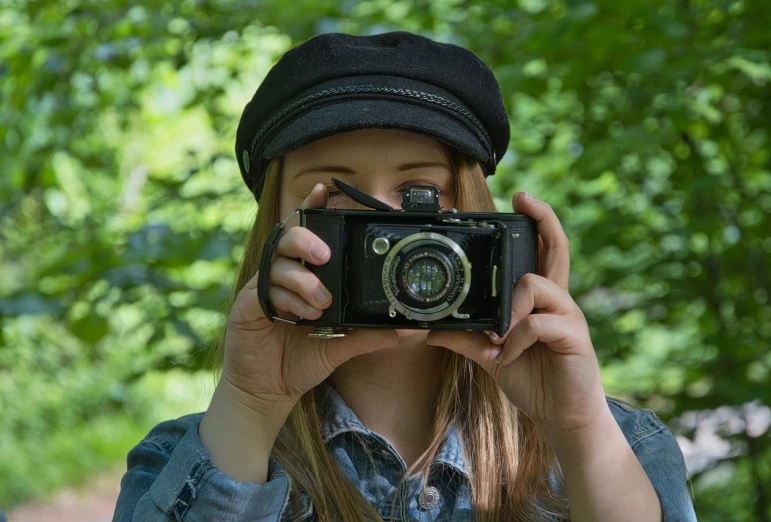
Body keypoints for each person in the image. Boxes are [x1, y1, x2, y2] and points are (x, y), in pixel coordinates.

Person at [112, 32, 697, 522]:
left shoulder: (618, 443)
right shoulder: (190, 458)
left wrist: (575, 425)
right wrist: (252, 402)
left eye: (423, 194)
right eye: (340, 199)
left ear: (479, 219)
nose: (386, 231)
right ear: (276, 226)